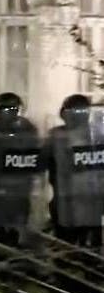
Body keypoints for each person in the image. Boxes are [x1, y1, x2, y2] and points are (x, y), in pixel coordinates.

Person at [0, 92, 40, 247]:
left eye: (11, 109)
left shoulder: (29, 130)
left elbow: (33, 158)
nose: (6, 114)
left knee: (17, 228)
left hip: (19, 190)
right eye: (3, 109)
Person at [46, 94, 104, 247]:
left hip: (87, 205)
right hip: (69, 204)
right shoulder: (57, 136)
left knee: (81, 249)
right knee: (69, 248)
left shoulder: (97, 134)